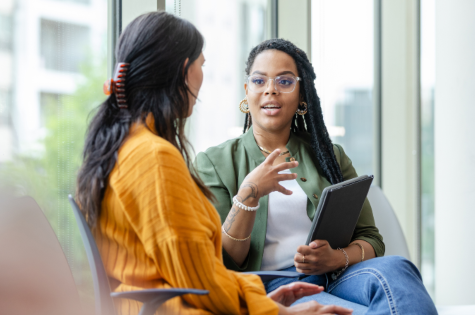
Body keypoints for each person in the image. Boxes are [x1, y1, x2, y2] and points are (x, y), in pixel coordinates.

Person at [75, 12, 353, 315]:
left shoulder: (127, 147)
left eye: (284, 81)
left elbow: (198, 276)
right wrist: (277, 313)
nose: (271, 90)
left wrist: (260, 302)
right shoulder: (154, 158)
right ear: (185, 70)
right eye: (202, 65)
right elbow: (201, 283)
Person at [195, 38, 438, 314]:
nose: (270, 90)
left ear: (302, 95)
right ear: (246, 91)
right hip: (273, 287)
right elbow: (226, 260)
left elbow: (371, 240)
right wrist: (250, 191)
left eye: (284, 82)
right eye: (259, 81)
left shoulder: (329, 155)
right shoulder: (213, 163)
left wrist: (334, 258)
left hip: (337, 276)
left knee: (398, 268)